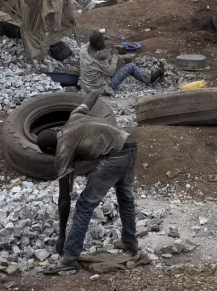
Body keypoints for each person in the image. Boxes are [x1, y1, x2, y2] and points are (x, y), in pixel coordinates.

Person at [37, 90, 144, 273]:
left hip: (115, 155)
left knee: (85, 204)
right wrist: (98, 90)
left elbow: (64, 198)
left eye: (49, 153)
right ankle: (131, 246)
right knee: (125, 198)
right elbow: (90, 99)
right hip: (129, 143)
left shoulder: (62, 149)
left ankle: (69, 259)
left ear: (49, 148)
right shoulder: (74, 116)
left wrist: (62, 235)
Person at [78, 32, 165, 95]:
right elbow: (111, 72)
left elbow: (91, 41)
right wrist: (115, 55)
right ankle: (151, 78)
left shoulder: (83, 49)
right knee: (130, 67)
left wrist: (102, 37)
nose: (104, 43)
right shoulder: (100, 58)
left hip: (86, 86)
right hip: (100, 89)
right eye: (103, 41)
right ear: (98, 43)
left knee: (108, 61)